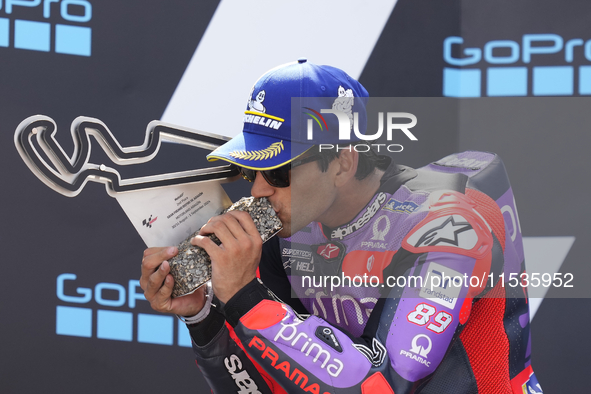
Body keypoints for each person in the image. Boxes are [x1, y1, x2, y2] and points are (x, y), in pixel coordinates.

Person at [140, 59, 542, 393]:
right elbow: (271, 385)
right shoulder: (290, 225)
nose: (259, 191)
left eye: (279, 172)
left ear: (344, 162)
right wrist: (206, 317)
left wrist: (248, 299)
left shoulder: (446, 226)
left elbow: (381, 387)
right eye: (251, 169)